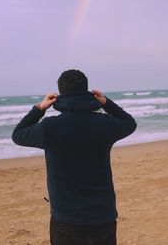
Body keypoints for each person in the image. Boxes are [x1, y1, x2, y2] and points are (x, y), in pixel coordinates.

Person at [12, 69, 137, 245]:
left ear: (60, 93)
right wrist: (107, 103)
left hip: (66, 218)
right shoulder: (105, 123)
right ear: (87, 90)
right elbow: (130, 123)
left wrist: (39, 109)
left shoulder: (50, 128)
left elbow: (18, 134)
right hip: (102, 215)